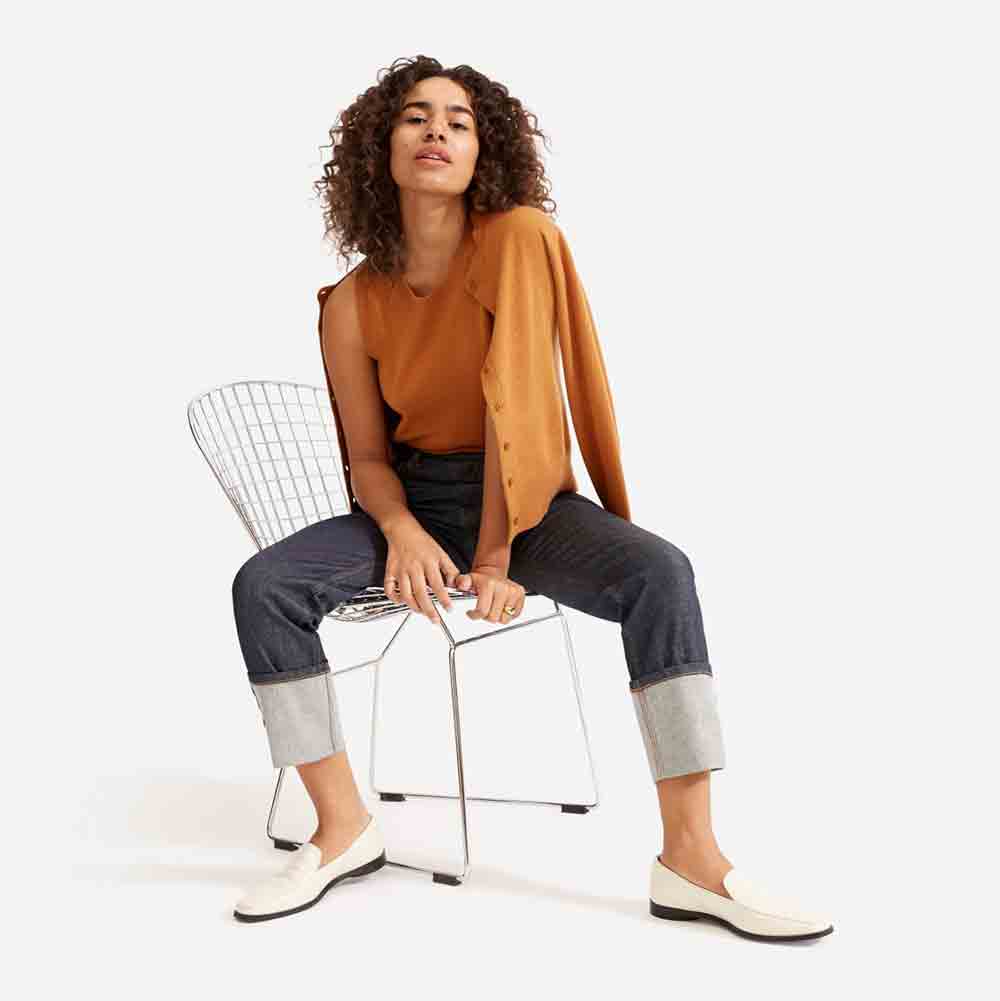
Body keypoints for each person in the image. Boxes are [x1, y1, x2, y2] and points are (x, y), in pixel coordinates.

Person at [230, 55, 833, 941]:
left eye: (459, 121)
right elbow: (367, 456)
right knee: (263, 585)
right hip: (417, 502)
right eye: (415, 117)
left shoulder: (517, 239)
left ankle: (692, 858)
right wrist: (400, 529)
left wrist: (495, 556)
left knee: (662, 574)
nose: (437, 131)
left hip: (526, 501)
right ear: (378, 149)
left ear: (487, 152)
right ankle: (342, 825)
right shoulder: (352, 300)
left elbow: (516, 409)